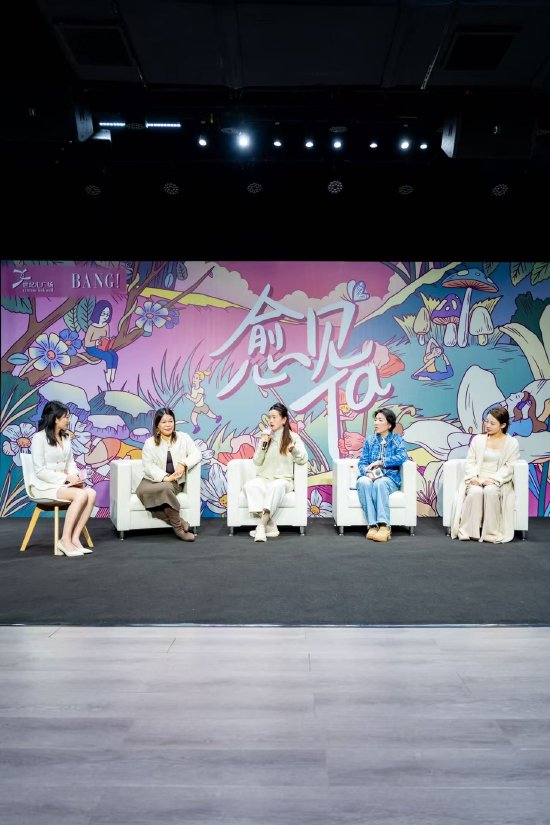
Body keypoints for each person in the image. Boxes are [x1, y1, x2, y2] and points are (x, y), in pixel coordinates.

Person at [30, 400, 96, 557]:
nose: (68, 420)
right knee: (81, 495)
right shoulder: (39, 438)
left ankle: (74, 538)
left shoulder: (65, 437)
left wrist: (75, 477)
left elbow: (70, 463)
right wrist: (66, 478)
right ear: (55, 419)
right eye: (66, 417)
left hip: (62, 484)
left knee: (91, 493)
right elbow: (40, 471)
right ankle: (64, 540)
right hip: (44, 485)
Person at [451, 406, 520, 543]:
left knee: (491, 491)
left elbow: (509, 466)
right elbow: (470, 461)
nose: (487, 425)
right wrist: (473, 478)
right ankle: (468, 531)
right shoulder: (478, 440)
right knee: (475, 492)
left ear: (503, 425)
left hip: (497, 480)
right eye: (486, 421)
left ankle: (491, 533)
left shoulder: (512, 443)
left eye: (492, 423)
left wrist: (494, 479)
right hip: (477, 478)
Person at [246, 402, 308, 542]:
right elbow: (257, 461)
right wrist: (263, 443)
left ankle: (261, 526)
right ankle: (271, 526)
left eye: (274, 417)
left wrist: (293, 450)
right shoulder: (266, 436)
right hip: (265, 478)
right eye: (269, 417)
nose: (271, 420)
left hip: (283, 480)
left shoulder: (293, 437)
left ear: (284, 419)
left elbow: (303, 459)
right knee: (250, 486)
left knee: (276, 486)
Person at [136, 407, 201, 541]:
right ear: (157, 425)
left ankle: (178, 530)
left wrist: (183, 463)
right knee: (141, 491)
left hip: (174, 481)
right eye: (164, 422)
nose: (168, 425)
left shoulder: (184, 438)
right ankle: (181, 522)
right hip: (152, 480)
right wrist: (165, 477)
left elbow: (197, 454)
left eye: (170, 421)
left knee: (165, 489)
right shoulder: (149, 443)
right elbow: (148, 466)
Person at [356, 407, 409, 542]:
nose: (376, 423)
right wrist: (366, 472)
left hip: (389, 478)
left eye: (380, 420)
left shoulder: (396, 439)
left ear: (389, 424)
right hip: (371, 476)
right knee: (362, 482)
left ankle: (384, 526)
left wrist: (382, 462)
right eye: (375, 420)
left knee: (380, 483)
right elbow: (362, 462)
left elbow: (402, 457)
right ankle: (372, 525)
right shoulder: (370, 440)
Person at [84, 300, 119, 387]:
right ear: (98, 312)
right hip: (91, 348)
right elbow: (86, 343)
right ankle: (108, 374)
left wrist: (109, 341)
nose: (105, 316)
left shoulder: (106, 326)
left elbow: (106, 338)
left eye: (107, 314)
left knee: (115, 355)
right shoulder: (92, 327)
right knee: (108, 357)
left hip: (103, 347)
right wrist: (96, 342)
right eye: (103, 313)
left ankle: (113, 374)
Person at [185, 369, 222, 434]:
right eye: (194, 377)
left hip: (202, 406)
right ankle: (197, 427)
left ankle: (217, 417)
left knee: (211, 415)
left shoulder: (200, 390)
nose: (194, 379)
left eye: (196, 378)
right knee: (193, 418)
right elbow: (194, 397)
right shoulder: (193, 388)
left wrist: (189, 397)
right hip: (197, 407)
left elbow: (196, 400)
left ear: (200, 380)